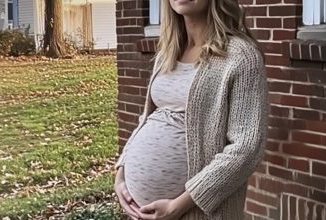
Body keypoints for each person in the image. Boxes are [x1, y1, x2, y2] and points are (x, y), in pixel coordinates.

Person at [114, 0, 268, 219]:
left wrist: (178, 206)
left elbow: (247, 147)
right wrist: (121, 174)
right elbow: (148, 119)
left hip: (197, 213)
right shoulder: (169, 51)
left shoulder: (241, 56)